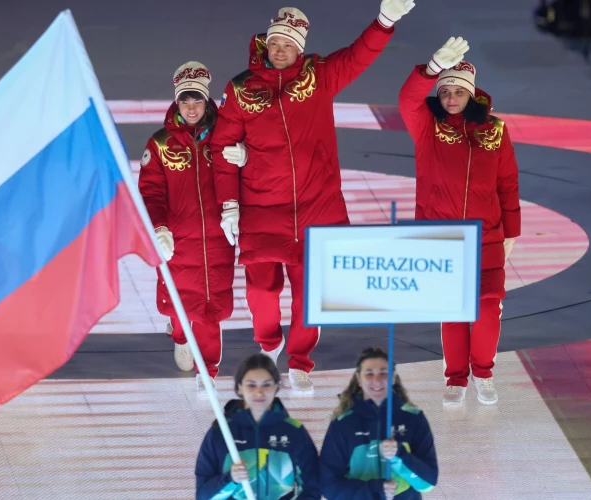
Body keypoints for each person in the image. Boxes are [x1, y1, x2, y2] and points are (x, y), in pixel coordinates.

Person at [212, 0, 416, 393]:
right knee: (261, 291)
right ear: (266, 43)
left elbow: (359, 56)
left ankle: (301, 361)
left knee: (310, 294)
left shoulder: (319, 75)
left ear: (300, 47)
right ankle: (269, 344)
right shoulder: (240, 89)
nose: (280, 49)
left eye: (288, 43)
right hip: (261, 207)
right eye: (275, 42)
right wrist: (230, 204)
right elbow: (222, 149)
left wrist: (384, 21)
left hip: (316, 208)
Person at [397, 37, 521, 407]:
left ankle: (483, 372)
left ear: (472, 95)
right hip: (442, 237)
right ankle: (456, 376)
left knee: (485, 309)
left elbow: (507, 182)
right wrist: (432, 68)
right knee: (452, 310)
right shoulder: (426, 126)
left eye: (458, 91)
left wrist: (511, 231)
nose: (451, 97)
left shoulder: (495, 130)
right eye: (445, 90)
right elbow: (407, 99)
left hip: (487, 236)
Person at [138, 61, 236, 389]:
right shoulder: (161, 144)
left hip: (218, 240)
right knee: (180, 304)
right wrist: (159, 227)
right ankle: (180, 337)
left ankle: (206, 374)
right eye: (184, 100)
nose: (191, 107)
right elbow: (150, 192)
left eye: (196, 100)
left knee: (209, 310)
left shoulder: (226, 137)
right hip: (176, 241)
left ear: (206, 101)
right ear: (176, 102)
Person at [195, 353, 321, 499]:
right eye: (251, 385)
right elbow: (202, 495)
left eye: (266, 385)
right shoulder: (220, 434)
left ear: (276, 387)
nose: (259, 392)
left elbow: (312, 489)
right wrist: (230, 479)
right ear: (239, 387)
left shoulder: (294, 432)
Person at [319, 347, 437, 499]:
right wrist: (374, 489)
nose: (377, 380)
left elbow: (427, 482)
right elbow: (329, 486)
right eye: (369, 373)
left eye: (383, 373)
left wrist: (400, 455)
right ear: (359, 379)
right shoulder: (343, 424)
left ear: (393, 377)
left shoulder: (413, 418)